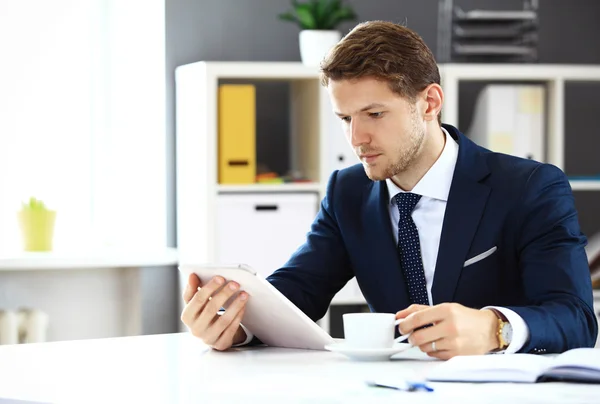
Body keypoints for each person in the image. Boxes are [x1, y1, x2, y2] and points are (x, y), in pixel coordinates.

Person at [181, 21, 598, 358]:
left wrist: (494, 327)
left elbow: (576, 318)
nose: (356, 138)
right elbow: (295, 295)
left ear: (429, 103)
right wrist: (235, 326)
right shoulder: (349, 191)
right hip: (394, 391)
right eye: (345, 119)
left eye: (374, 114)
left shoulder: (528, 187)